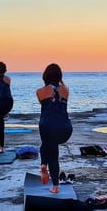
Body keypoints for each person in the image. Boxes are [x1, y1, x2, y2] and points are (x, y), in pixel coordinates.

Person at [36, 63, 73, 193]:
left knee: (49, 145)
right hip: (65, 128)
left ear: (45, 76)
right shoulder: (66, 90)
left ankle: (45, 167)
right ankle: (46, 169)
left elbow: (46, 106)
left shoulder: (40, 91)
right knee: (50, 143)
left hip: (48, 127)